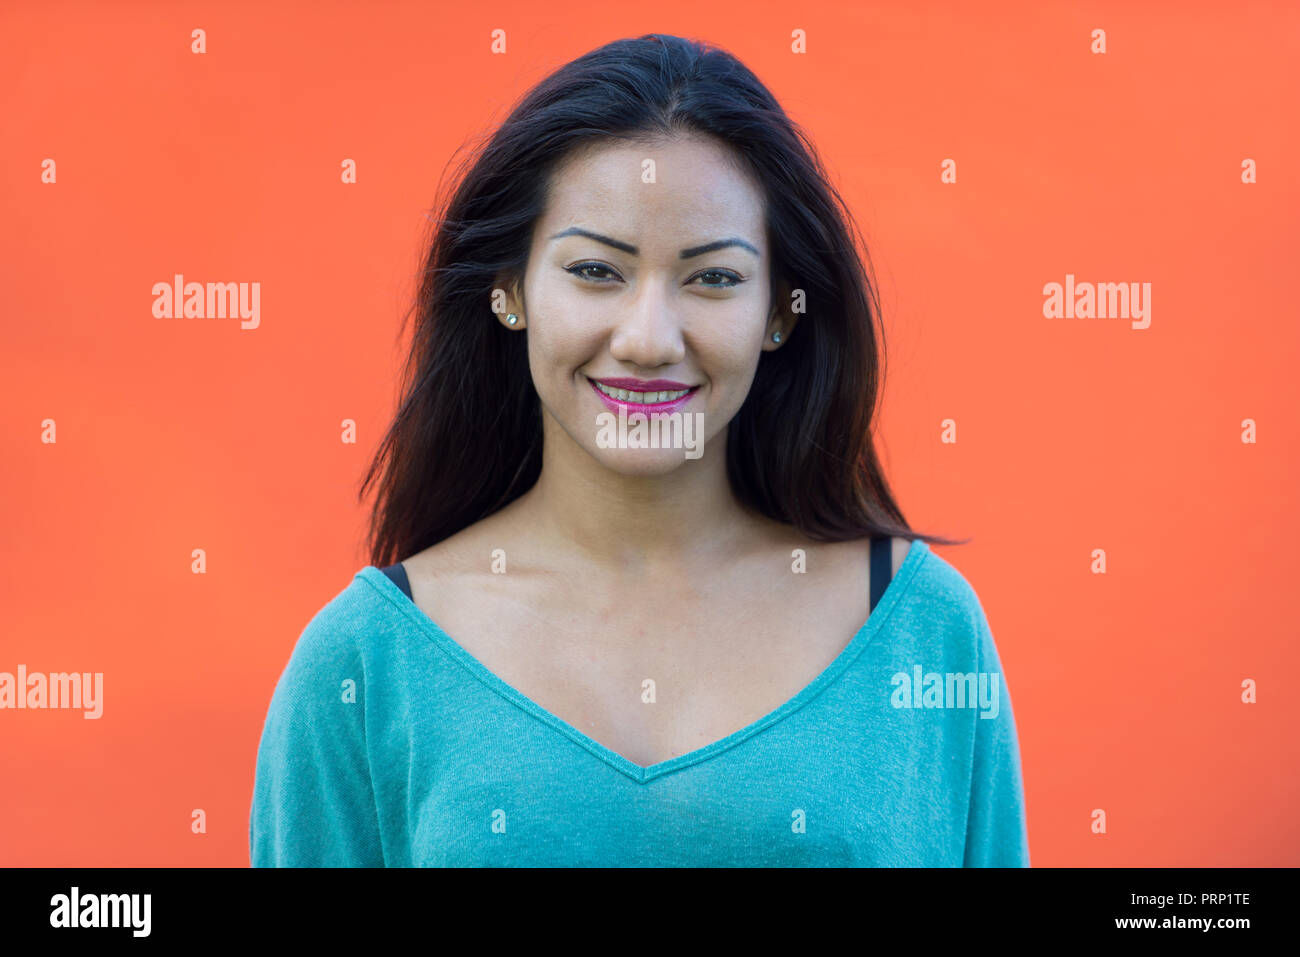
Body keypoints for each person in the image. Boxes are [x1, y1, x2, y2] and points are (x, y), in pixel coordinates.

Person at [249, 33, 1029, 867]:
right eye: (595, 270)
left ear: (781, 312)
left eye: (714, 278)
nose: (649, 338)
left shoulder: (924, 633)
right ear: (509, 291)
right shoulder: (364, 663)